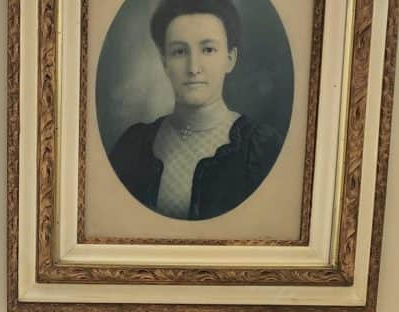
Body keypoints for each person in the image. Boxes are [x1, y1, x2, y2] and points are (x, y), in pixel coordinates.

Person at [109, 0, 284, 220]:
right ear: (165, 63)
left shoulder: (260, 149)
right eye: (180, 51)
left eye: (208, 49)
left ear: (230, 60)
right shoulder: (133, 145)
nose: (193, 68)